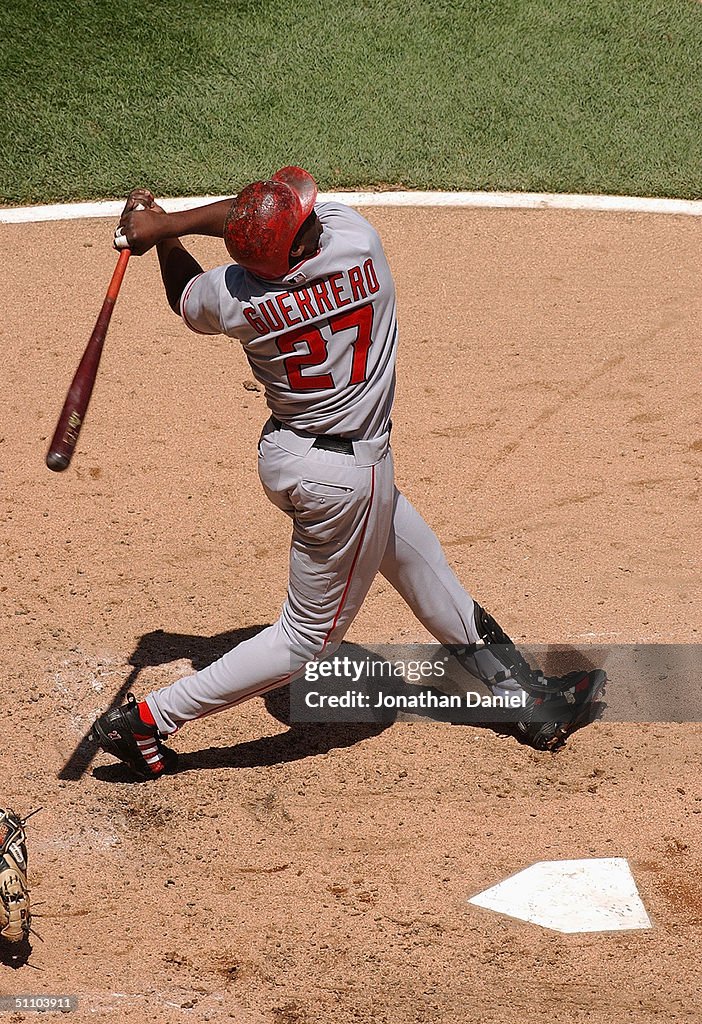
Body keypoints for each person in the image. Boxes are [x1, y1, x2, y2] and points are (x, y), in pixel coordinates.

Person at [93, 166, 605, 779]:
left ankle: (526, 700)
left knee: (421, 564)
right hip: (344, 481)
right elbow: (260, 211)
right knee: (307, 641)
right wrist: (171, 221)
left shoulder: (232, 300)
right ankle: (151, 719)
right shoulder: (355, 241)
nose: (310, 218)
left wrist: (162, 235)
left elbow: (187, 292)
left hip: (299, 458)